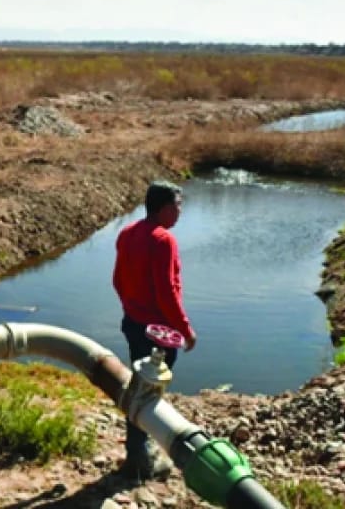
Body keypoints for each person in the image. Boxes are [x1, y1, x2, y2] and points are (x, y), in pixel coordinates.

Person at [112, 180, 197, 482]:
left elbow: (118, 281)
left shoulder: (127, 233)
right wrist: (185, 330)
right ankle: (141, 458)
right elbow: (167, 293)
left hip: (133, 324)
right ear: (163, 208)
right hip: (158, 333)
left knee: (140, 384)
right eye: (178, 204)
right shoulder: (163, 241)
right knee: (150, 391)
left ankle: (136, 451)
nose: (180, 211)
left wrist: (132, 311)